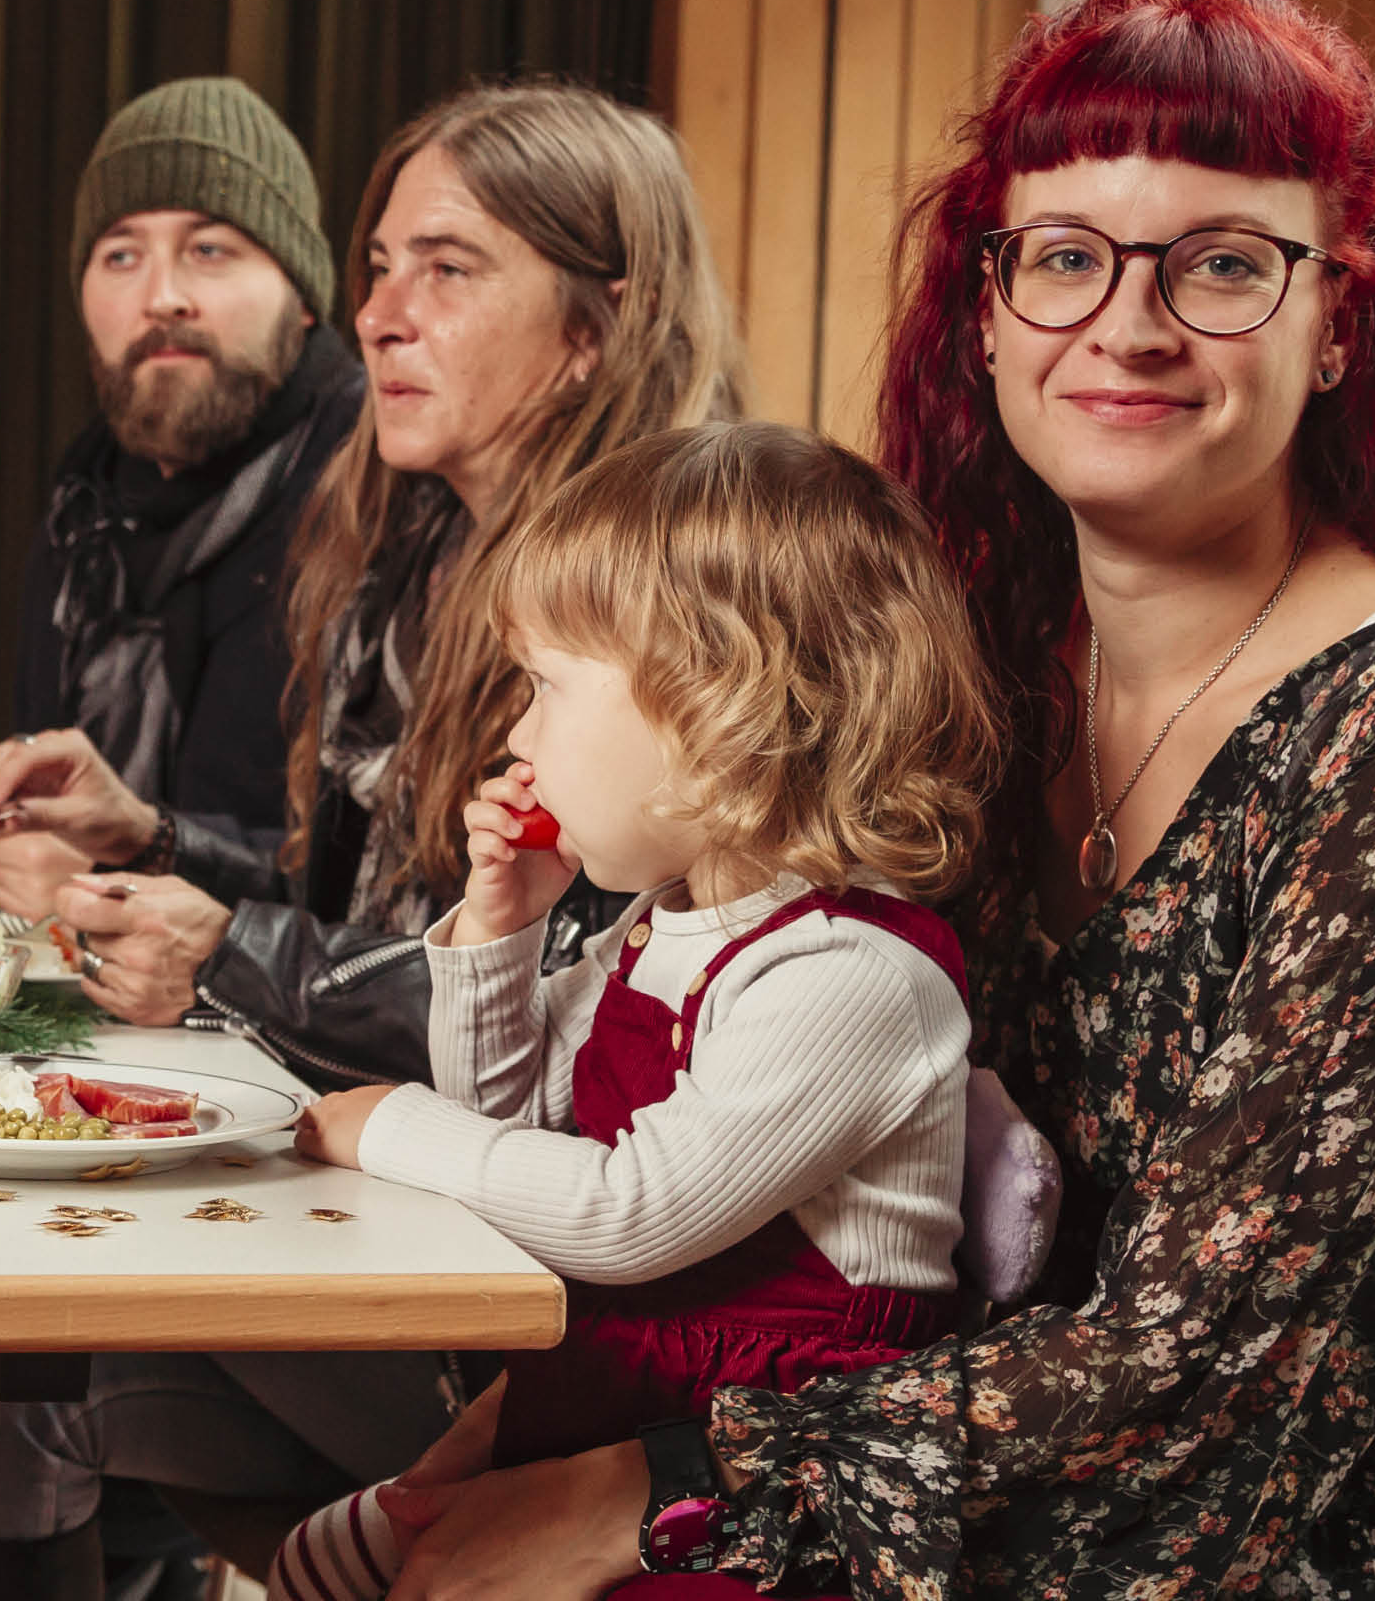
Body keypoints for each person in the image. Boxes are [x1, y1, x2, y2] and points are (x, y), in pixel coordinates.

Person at [376, 0, 1375, 1596]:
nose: (1129, 325)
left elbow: (1220, 1400)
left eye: (1223, 266)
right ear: (989, 309)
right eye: (1066, 257)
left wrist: (653, 1488)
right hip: (881, 1489)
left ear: (1346, 321)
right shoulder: (976, 676)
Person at [0, 85, 746, 1596]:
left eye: (451, 269)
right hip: (404, 1197)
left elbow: (534, 1006)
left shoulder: (665, 598)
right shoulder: (404, 542)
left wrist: (223, 947)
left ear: (594, 330)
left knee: (11, 1302)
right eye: (379, 269)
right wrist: (157, 839)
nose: (385, 319)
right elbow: (368, 915)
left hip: (552, 1299)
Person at [266, 422, 993, 1601]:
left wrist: (385, 1123)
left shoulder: (845, 974)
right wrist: (498, 932)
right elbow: (508, 1121)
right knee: (322, 1554)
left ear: (718, 709)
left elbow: (622, 1215)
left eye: (546, 687)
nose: (515, 735)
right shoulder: (660, 924)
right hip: (608, 1403)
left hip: (757, 1486)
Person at [0, 77, 367, 919]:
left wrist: (119, 873)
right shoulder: (85, 505)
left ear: (304, 295)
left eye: (210, 250)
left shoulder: (371, 487)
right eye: (121, 255)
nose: (161, 296)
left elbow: (372, 894)